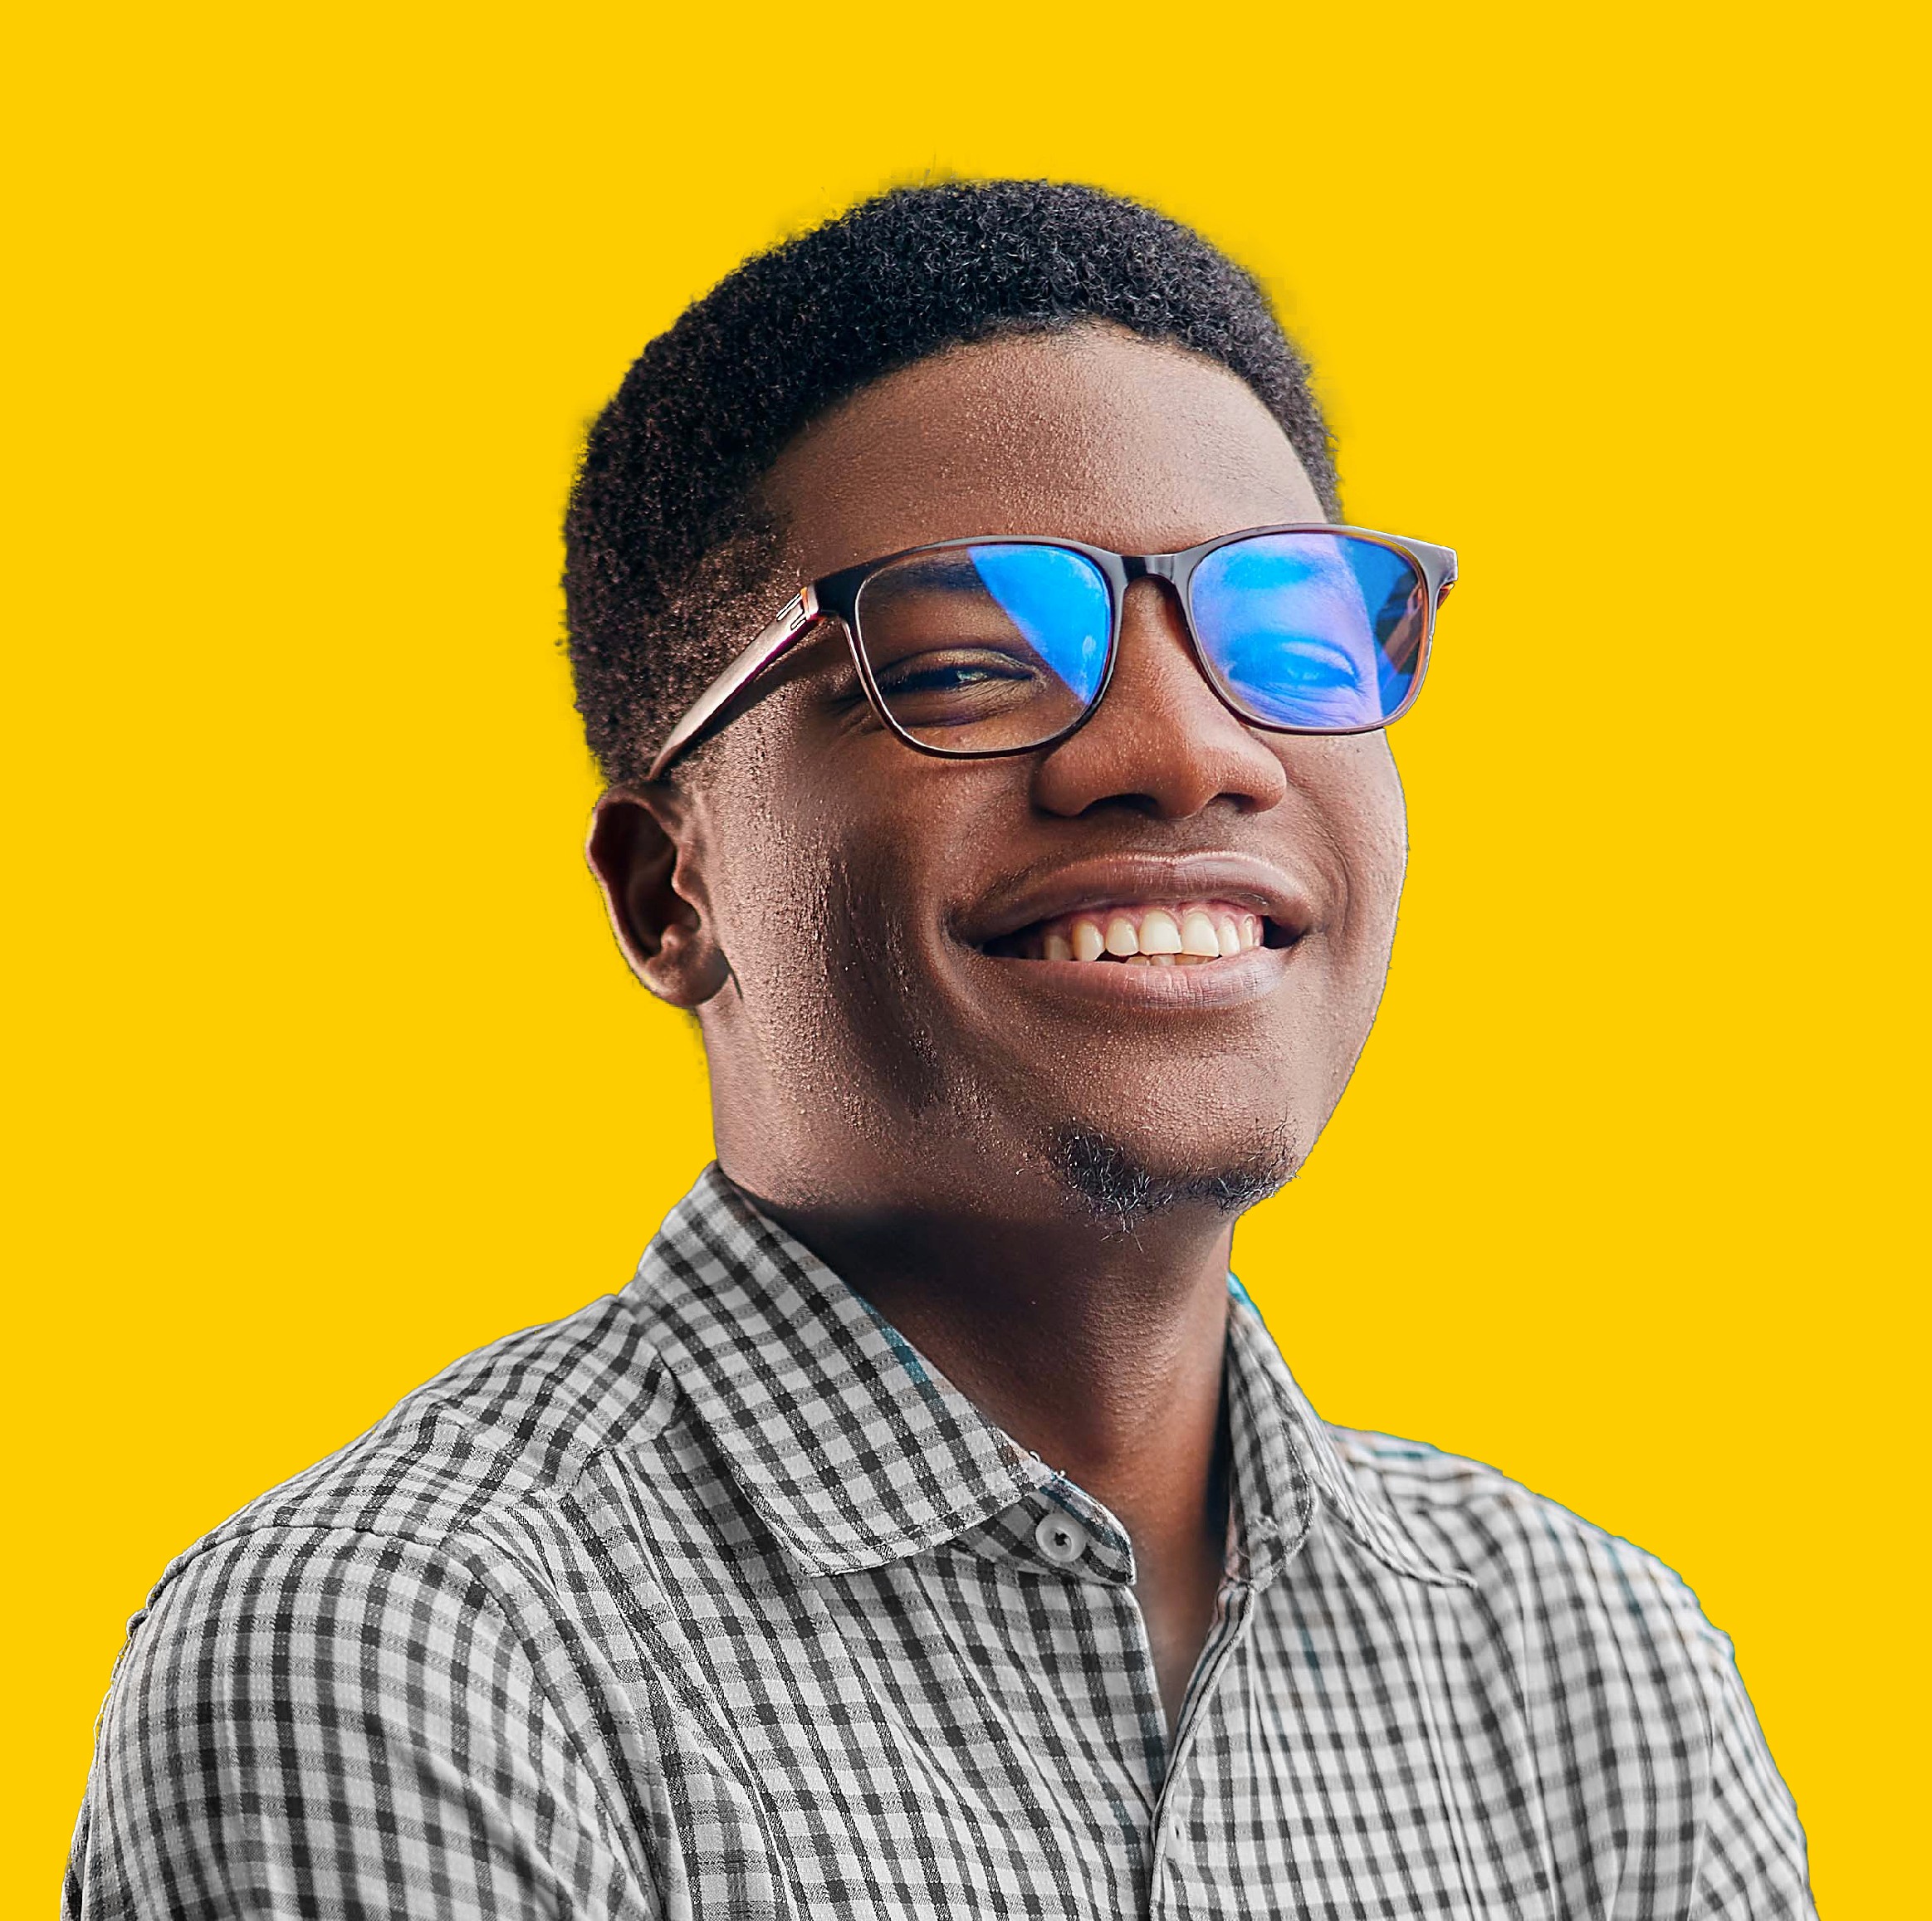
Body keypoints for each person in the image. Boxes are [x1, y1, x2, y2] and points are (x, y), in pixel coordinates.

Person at [65, 180, 1813, 1919]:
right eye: (968, 660)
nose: (1185, 751)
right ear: (670, 890)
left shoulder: (1603, 1684)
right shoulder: (407, 1655)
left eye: (1288, 640)